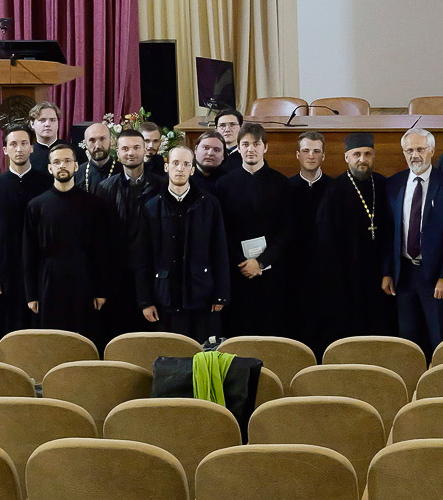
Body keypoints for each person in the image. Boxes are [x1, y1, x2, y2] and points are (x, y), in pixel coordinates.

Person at [133, 146, 230, 340]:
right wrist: (145, 301)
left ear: (192, 170)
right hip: (166, 296)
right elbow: (143, 257)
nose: (180, 168)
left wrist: (221, 294)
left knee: (202, 351)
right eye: (176, 163)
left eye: (186, 164)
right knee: (170, 351)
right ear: (167, 167)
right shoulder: (151, 207)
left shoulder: (209, 204)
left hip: (201, 294)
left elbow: (219, 250)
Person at [384, 129, 443, 353]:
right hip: (404, 275)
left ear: (432, 150)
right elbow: (389, 232)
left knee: (439, 339)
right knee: (408, 341)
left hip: (435, 276)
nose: (414, 155)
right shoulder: (394, 184)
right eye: (409, 150)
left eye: (420, 149)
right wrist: (387, 272)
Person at [22, 141, 111, 337]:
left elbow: (101, 250)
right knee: (52, 339)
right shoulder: (36, 205)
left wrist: (100, 290)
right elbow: (29, 253)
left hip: (84, 279)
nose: (62, 166)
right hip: (49, 281)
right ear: (50, 168)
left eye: (67, 161)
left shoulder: (93, 204)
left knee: (84, 337)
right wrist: (31, 294)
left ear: (76, 166)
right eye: (57, 162)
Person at [316, 133, 395, 350]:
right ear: (346, 158)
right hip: (346, 276)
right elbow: (325, 239)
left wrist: (387, 270)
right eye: (357, 154)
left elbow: (392, 232)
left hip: (379, 274)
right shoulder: (334, 190)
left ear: (374, 156)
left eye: (367, 154)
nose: (362, 159)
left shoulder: (383, 184)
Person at [214, 122, 293, 338]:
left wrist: (261, 262)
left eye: (256, 144)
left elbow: (287, 230)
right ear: (238, 147)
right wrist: (242, 262)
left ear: (265, 147)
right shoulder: (223, 185)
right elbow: (221, 231)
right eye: (245, 144)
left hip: (272, 271)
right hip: (237, 272)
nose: (251, 149)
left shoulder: (281, 183)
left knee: (272, 332)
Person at [0, 126, 51, 344]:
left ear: (31, 148)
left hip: (40, 269)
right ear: (4, 149)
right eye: (13, 144)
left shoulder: (46, 183)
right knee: (6, 331)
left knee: (39, 331)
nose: (19, 149)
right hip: (4, 270)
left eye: (23, 144)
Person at [96, 128, 161, 336]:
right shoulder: (105, 188)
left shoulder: (161, 185)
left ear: (145, 150)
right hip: (118, 272)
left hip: (152, 271)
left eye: (136, 147)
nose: (130, 153)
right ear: (117, 152)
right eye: (125, 148)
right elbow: (100, 236)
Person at [286, 130, 337, 347]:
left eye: (316, 151)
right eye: (306, 151)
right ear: (297, 155)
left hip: (327, 270)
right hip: (294, 269)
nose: (311, 156)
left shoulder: (335, 188)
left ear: (323, 156)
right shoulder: (285, 188)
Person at [77, 121, 115, 192]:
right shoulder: (77, 175)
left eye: (102, 139)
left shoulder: (123, 172)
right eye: (92, 140)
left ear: (111, 140)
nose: (98, 146)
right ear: (86, 144)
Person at [27, 101, 61, 172]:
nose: (48, 124)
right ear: (32, 124)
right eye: (42, 120)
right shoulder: (26, 154)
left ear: (58, 123)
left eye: (52, 120)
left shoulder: (73, 151)